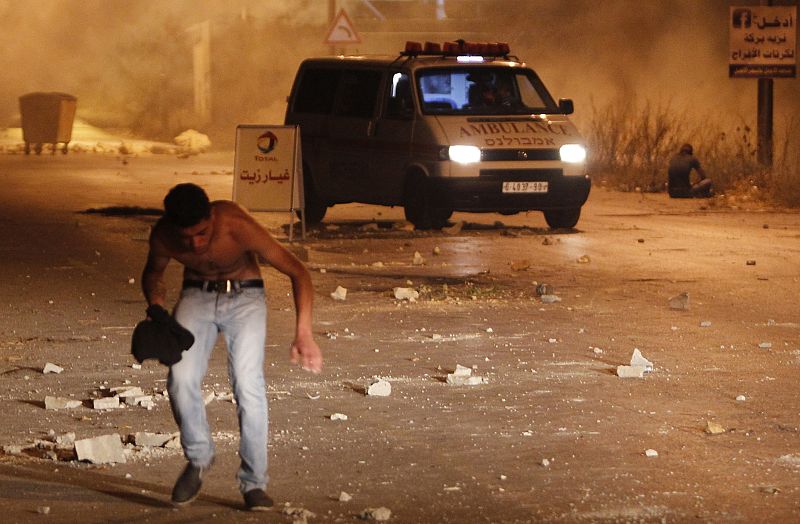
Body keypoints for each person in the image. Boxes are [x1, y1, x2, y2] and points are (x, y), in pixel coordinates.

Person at [140, 183, 322, 511]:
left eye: (202, 233)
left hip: (245, 296)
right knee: (179, 379)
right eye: (187, 238)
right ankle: (199, 458)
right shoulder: (163, 235)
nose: (195, 243)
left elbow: (297, 271)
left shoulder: (235, 225)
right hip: (196, 295)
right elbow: (153, 273)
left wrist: (304, 332)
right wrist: (155, 305)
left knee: (247, 384)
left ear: (211, 216)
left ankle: (254, 483)